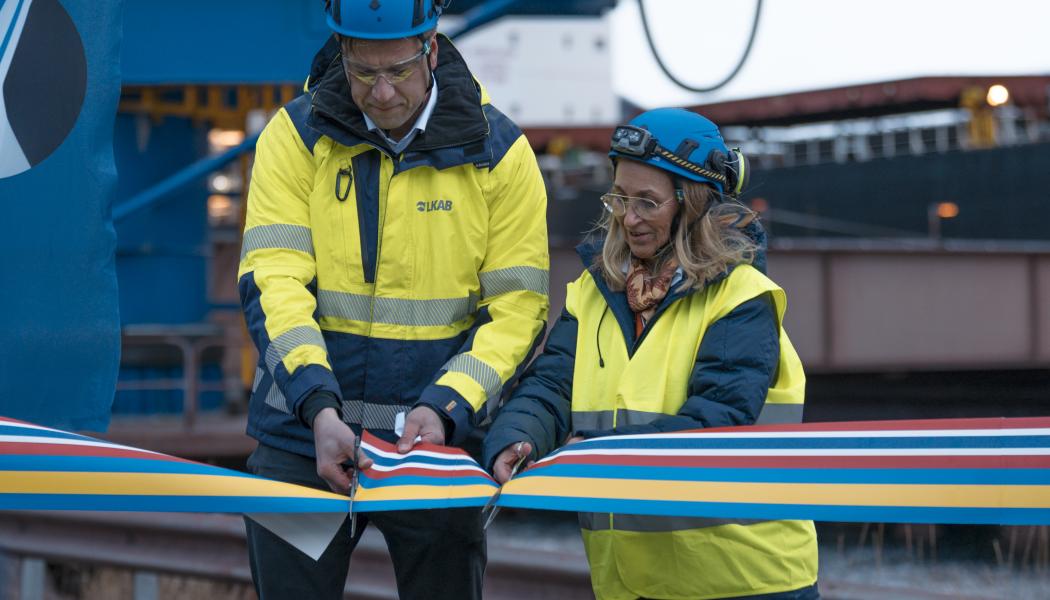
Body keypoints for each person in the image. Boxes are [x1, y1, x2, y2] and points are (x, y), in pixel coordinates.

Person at [237, 1, 549, 598]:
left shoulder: (499, 154)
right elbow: (272, 281)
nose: (380, 93)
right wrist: (317, 409)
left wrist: (449, 408)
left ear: (431, 49)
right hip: (301, 443)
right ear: (342, 55)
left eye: (399, 71)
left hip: (434, 451)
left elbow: (517, 311)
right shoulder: (296, 136)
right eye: (362, 72)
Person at [483, 108, 819, 600]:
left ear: (693, 204)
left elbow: (716, 422)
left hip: (743, 578)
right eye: (620, 197)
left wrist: (599, 453)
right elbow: (550, 386)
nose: (628, 217)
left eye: (648, 202)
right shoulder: (595, 293)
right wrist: (518, 437)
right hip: (634, 581)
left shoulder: (742, 300)